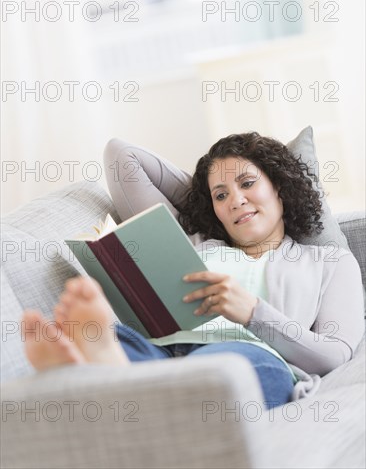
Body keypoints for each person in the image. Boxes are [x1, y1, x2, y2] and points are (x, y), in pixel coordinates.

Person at [22, 132, 365, 410]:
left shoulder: (328, 262)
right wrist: (204, 194)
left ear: (279, 185)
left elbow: (335, 353)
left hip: (256, 358)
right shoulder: (194, 244)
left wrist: (253, 313)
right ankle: (113, 366)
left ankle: (114, 380)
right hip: (165, 346)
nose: (235, 200)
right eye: (221, 195)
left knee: (228, 366)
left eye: (247, 184)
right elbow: (122, 156)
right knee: (118, 336)